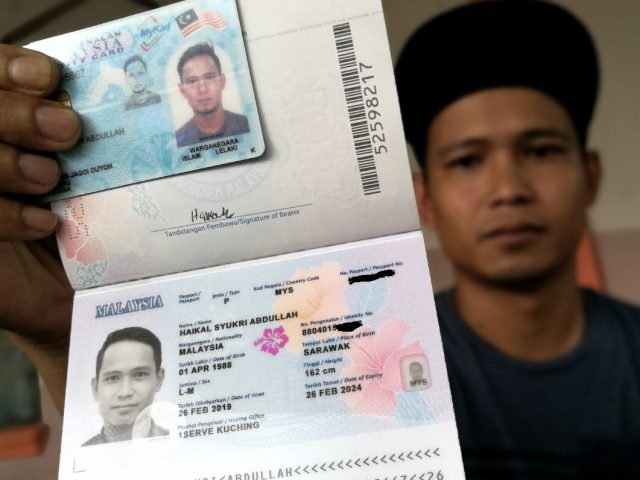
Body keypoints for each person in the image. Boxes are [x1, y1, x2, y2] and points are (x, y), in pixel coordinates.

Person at [395, 1, 640, 478]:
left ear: (590, 177)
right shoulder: (377, 381)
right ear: (425, 200)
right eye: (467, 161)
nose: (508, 190)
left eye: (542, 151)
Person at [83, 326, 167, 446]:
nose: (125, 392)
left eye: (140, 374)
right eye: (112, 378)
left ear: (159, 379)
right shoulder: (80, 453)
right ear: (95, 388)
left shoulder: (182, 442)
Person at [174, 42, 249, 147]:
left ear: (222, 81)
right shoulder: (178, 142)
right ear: (182, 90)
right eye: (192, 81)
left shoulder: (248, 126)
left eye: (209, 77)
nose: (202, 89)